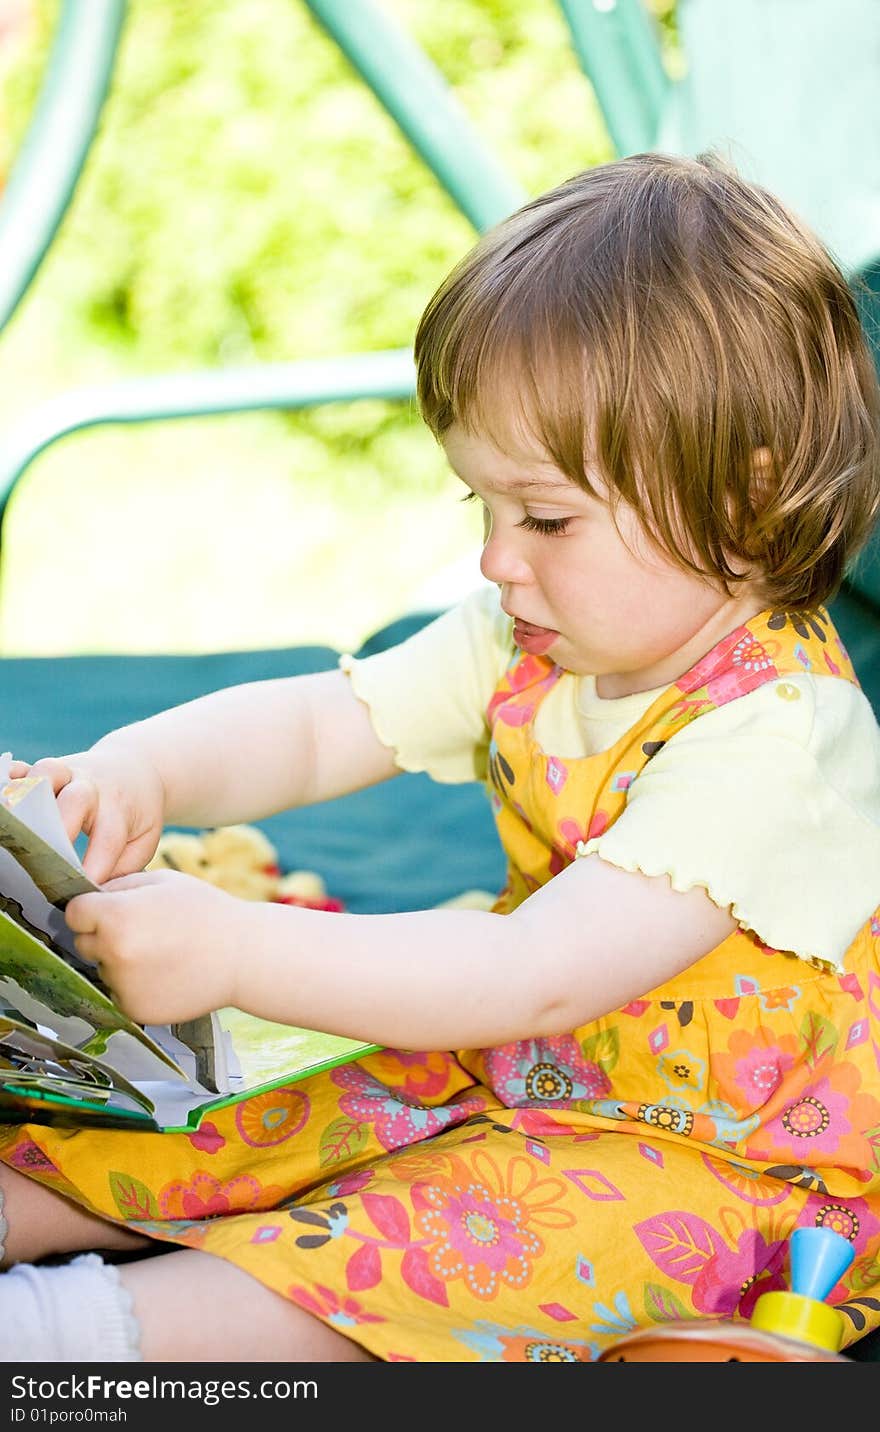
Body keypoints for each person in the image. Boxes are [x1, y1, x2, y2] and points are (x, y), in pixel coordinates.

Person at [2, 150, 880, 1365]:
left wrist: (238, 946)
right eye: (481, 507)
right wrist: (138, 772)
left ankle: (78, 1337)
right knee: (258, 1102)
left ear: (742, 501)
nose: (495, 560)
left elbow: (540, 969)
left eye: (545, 518)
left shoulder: (783, 737)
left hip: (717, 1156)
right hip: (512, 1056)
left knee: (455, 1237)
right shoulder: (541, 634)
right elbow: (322, 724)